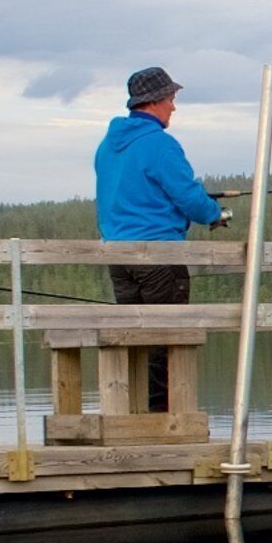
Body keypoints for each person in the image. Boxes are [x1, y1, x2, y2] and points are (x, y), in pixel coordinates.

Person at [95, 68, 225, 413]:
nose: (174, 107)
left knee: (137, 338)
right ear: (153, 102)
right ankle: (164, 421)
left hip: (118, 257)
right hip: (158, 255)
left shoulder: (108, 146)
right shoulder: (160, 144)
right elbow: (188, 197)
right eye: (170, 99)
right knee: (166, 338)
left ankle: (136, 415)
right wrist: (215, 214)